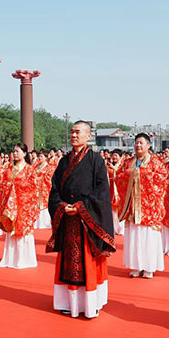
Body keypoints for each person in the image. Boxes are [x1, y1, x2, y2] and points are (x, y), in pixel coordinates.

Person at [48, 121, 115, 318]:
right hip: (67, 218)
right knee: (68, 262)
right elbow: (54, 189)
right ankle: (69, 302)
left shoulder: (96, 161)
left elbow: (102, 191)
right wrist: (61, 206)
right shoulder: (64, 161)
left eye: (78, 132)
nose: (74, 135)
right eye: (72, 132)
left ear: (88, 136)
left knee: (87, 260)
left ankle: (89, 303)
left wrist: (79, 207)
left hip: (87, 220)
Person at [116, 133, 167, 278]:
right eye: (136, 143)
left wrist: (137, 173)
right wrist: (131, 174)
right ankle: (136, 266)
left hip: (149, 206)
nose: (138, 145)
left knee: (148, 237)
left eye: (141, 143)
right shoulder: (128, 162)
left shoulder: (155, 162)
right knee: (134, 236)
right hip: (132, 205)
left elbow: (161, 179)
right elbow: (118, 177)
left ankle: (149, 267)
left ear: (148, 145)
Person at [0, 143, 39, 268]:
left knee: (22, 231)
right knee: (11, 230)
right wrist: (9, 187)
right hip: (10, 205)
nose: (14, 154)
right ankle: (10, 260)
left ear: (25, 153)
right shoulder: (8, 168)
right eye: (13, 151)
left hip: (24, 204)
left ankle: (24, 260)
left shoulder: (30, 169)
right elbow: (1, 183)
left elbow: (34, 186)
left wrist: (17, 188)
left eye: (17, 151)